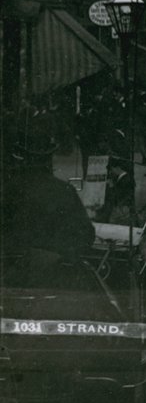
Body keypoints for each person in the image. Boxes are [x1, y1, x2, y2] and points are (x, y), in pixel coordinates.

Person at [0, 106, 96, 288]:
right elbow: (85, 236)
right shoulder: (63, 191)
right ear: (48, 158)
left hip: (8, 282)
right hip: (52, 281)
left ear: (19, 157)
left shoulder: (7, 191)